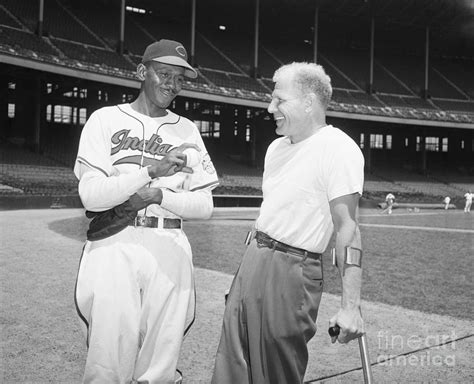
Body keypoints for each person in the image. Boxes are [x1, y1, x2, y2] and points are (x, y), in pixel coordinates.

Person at [74, 39, 219, 383]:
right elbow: (91, 197)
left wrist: (157, 196)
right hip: (115, 242)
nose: (172, 84)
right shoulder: (105, 119)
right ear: (142, 71)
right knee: (108, 355)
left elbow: (205, 206)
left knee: (161, 360)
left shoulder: (187, 130)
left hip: (169, 244)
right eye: (164, 73)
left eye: (180, 78)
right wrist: (149, 172)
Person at [211, 62, 365, 384]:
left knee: (274, 374)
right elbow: (270, 213)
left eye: (279, 100)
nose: (270, 108)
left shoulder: (339, 148)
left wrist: (351, 307)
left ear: (309, 102)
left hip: (292, 272)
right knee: (231, 369)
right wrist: (244, 276)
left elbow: (347, 228)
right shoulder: (275, 149)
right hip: (253, 261)